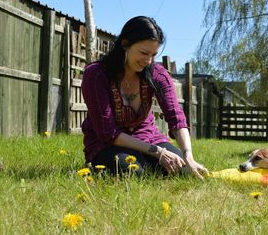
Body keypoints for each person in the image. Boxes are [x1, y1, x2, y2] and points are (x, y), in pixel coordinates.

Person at [81, 16, 208, 179]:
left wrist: (188, 155)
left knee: (182, 171)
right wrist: (158, 152)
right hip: (107, 144)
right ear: (125, 44)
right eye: (143, 53)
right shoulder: (97, 75)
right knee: (134, 172)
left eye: (153, 55)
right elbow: (107, 133)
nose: (148, 61)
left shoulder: (157, 74)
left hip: (148, 137)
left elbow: (176, 117)